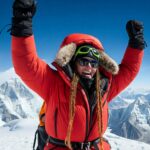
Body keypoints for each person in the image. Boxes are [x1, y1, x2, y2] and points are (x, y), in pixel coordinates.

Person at [11, 0, 146, 150]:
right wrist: (23, 23)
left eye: (94, 64)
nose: (89, 67)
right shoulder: (54, 83)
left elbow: (128, 70)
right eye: (83, 61)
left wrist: (136, 44)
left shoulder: (105, 86)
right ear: (72, 62)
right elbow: (27, 65)